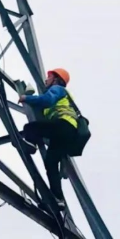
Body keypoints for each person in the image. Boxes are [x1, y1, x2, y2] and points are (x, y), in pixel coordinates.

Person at [19, 68, 77, 209]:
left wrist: (27, 98)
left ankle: (30, 144)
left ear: (56, 79)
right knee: (51, 163)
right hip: (68, 131)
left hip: (63, 125)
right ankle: (58, 199)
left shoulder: (57, 89)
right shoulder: (64, 95)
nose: (46, 80)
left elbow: (47, 100)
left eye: (49, 77)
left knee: (30, 128)